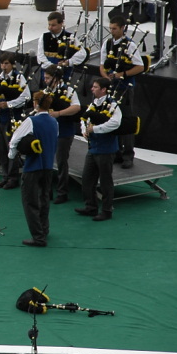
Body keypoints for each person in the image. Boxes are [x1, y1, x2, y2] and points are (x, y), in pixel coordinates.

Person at [9, 91, 59, 247]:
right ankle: (44, 229)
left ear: (35, 103)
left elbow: (14, 139)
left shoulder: (31, 121)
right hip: (48, 167)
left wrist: (11, 156)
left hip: (32, 167)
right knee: (44, 198)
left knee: (30, 202)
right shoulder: (54, 122)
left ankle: (38, 237)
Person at [99, 15, 144, 168]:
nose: (112, 31)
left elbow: (140, 66)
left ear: (122, 28)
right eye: (110, 28)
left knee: (126, 119)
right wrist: (106, 77)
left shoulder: (130, 45)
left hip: (125, 87)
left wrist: (122, 74)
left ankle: (128, 154)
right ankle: (116, 151)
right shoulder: (107, 43)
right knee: (112, 118)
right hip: (112, 87)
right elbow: (102, 65)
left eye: (114, 29)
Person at [75, 77, 122, 222]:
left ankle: (107, 210)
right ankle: (91, 206)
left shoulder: (113, 106)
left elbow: (115, 123)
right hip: (93, 148)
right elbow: (84, 118)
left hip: (106, 149)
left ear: (103, 89)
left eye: (95, 87)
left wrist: (95, 129)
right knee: (87, 179)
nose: (92, 89)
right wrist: (84, 129)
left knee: (106, 181)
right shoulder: (94, 104)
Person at [0, 52, 30, 190]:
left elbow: (26, 97)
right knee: (0, 148)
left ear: (13, 64)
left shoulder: (19, 78)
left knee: (11, 147)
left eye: (6, 63)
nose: (3, 66)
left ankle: (13, 177)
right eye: (2, 63)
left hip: (12, 119)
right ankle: (6, 175)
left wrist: (8, 104)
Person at [41, 65, 81, 205]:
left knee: (61, 161)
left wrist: (58, 113)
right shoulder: (47, 91)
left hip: (64, 131)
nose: (45, 80)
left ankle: (62, 192)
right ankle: (48, 190)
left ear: (56, 78)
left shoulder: (69, 90)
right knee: (47, 160)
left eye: (47, 78)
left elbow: (76, 107)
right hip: (49, 131)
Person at [36, 12, 87, 84]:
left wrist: (68, 62)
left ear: (61, 24)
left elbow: (82, 53)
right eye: (49, 24)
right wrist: (53, 67)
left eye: (53, 25)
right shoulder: (44, 37)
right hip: (47, 75)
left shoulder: (70, 37)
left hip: (64, 75)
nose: (50, 27)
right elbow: (40, 56)